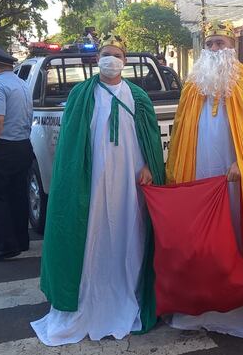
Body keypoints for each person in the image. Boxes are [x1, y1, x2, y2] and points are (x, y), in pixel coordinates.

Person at [33, 34, 165, 345]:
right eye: (106, 54)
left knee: (131, 233)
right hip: (92, 180)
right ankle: (89, 299)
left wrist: (149, 166)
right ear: (97, 59)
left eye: (117, 55)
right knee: (93, 233)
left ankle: (129, 292)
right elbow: (71, 144)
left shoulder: (138, 97)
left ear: (125, 60)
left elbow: (150, 138)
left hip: (131, 181)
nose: (111, 59)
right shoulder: (81, 94)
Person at [164, 20, 243, 343]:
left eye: (221, 43)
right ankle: (205, 297)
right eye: (210, 44)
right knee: (204, 234)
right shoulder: (193, 86)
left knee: (238, 228)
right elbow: (180, 133)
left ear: (233, 47)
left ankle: (240, 298)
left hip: (237, 177)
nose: (215, 49)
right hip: (201, 171)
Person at [0, 44, 33, 261]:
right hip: (22, 146)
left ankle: (6, 246)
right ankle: (20, 240)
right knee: (17, 196)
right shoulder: (21, 83)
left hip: (2, 149)